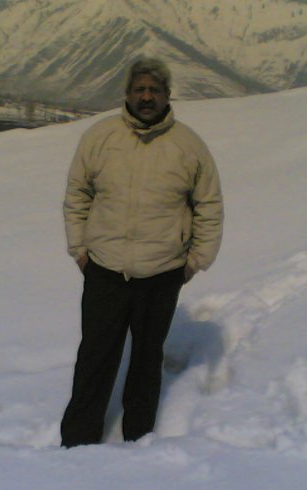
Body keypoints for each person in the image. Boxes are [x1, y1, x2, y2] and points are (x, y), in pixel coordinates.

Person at [60, 58, 224, 447]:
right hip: (104, 269)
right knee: (95, 359)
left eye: (154, 90)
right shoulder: (100, 137)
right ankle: (78, 444)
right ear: (128, 94)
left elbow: (209, 206)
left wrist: (195, 262)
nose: (146, 96)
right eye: (139, 90)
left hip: (163, 272)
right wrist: (79, 250)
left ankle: (138, 440)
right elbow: (77, 194)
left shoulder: (188, 146)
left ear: (167, 95)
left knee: (147, 360)